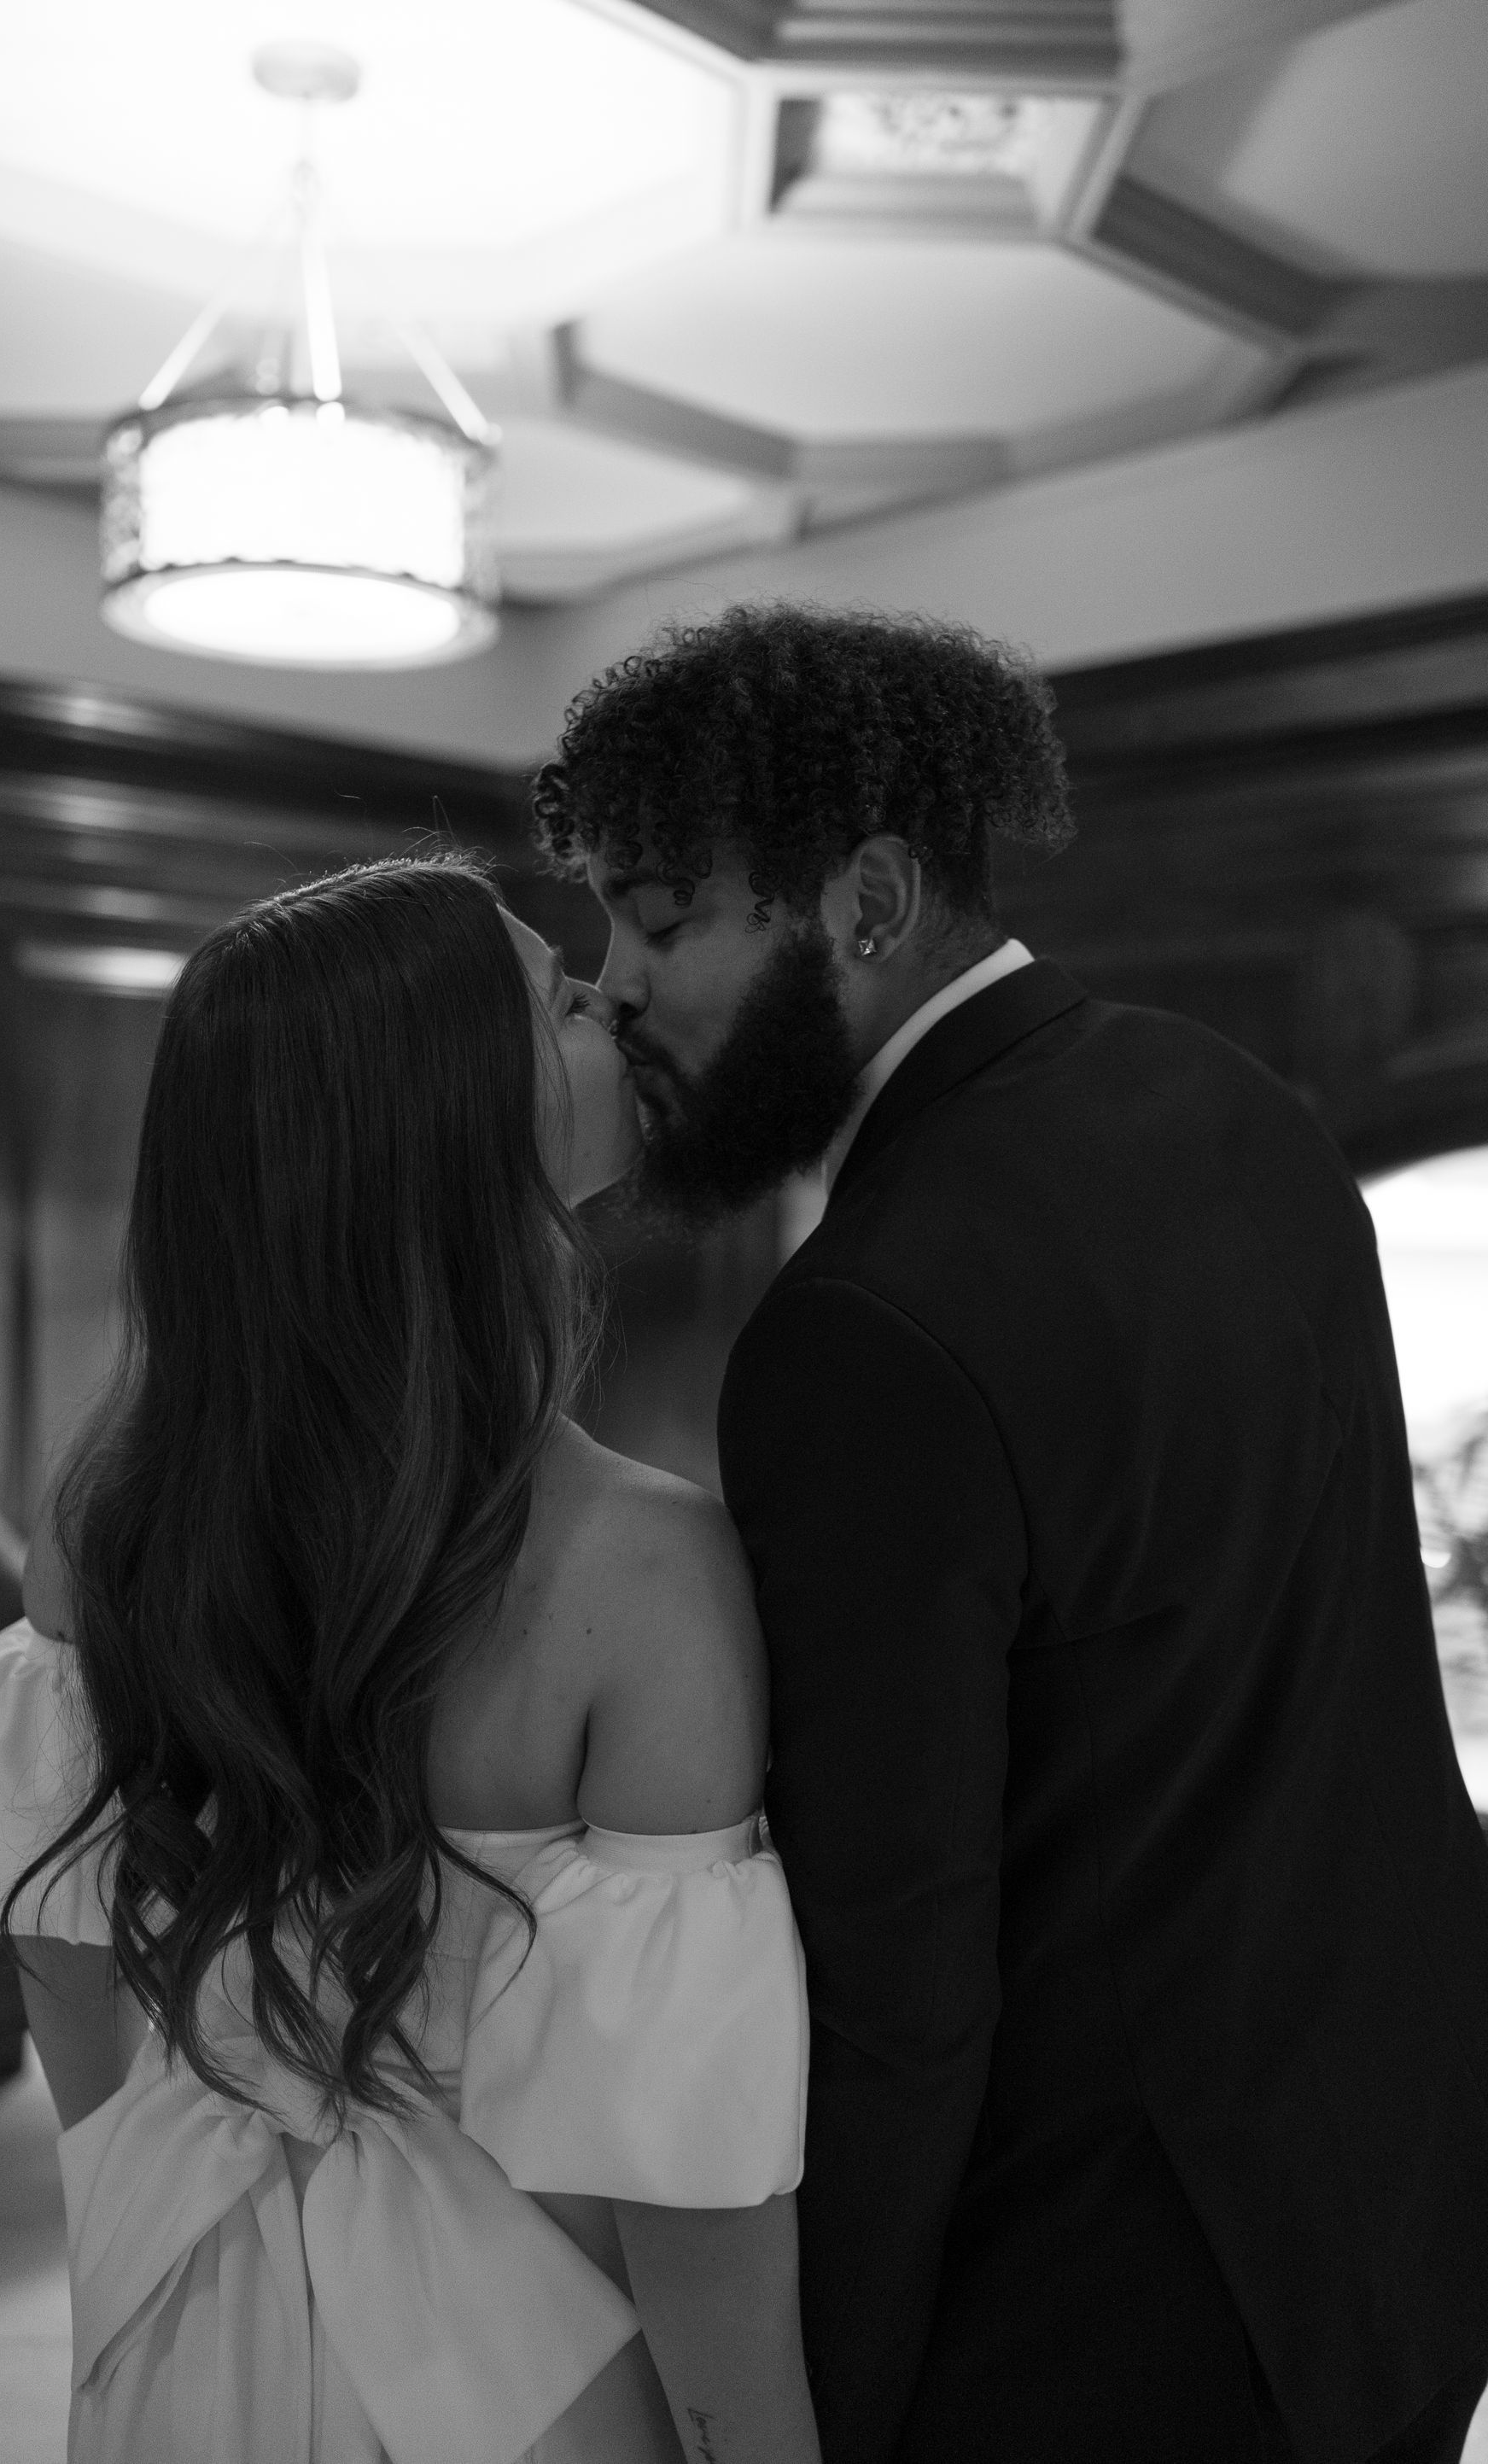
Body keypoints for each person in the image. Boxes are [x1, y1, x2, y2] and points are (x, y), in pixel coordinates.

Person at [535, 602, 1488, 2464]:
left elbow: (898, 1987)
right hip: (1406, 2181)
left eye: (660, 917)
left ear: (870, 905)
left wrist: (835, 2411)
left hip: (1126, 2306)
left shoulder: (864, 1330)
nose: (617, 986)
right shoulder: (1251, 1110)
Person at [0, 855, 820, 2464]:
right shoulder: (646, 1568)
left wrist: (150, 2166)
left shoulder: (108, 1507)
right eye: (552, 991)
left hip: (190, 2314)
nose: (609, 993)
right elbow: (687, 2176)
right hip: (517, 2368)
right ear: (457, 1118)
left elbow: (53, 1929)